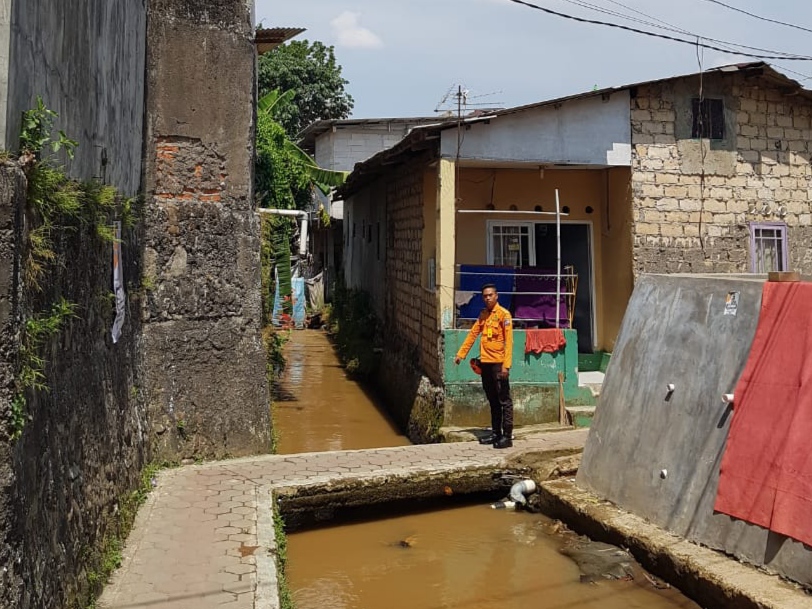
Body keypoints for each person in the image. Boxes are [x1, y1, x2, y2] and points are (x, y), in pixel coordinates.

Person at [454, 283, 514, 448]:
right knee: (492, 400)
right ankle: (496, 434)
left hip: (498, 364)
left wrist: (506, 367)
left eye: (490, 295)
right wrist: (461, 354)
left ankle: (507, 436)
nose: (487, 298)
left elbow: (509, 343)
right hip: (485, 364)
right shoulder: (483, 316)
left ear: (496, 296)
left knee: (504, 400)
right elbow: (473, 335)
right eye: (485, 296)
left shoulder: (504, 315)